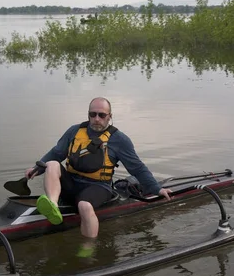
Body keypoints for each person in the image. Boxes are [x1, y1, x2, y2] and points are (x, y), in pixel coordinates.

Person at [25, 97, 172, 256]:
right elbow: (56, 153)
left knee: (84, 206)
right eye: (92, 114)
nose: (96, 119)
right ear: (88, 115)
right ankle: (53, 205)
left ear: (110, 116)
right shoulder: (74, 131)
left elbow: (137, 167)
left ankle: (87, 249)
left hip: (98, 186)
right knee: (52, 164)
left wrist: (156, 189)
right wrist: (36, 168)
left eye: (101, 115)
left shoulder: (119, 140)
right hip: (72, 183)